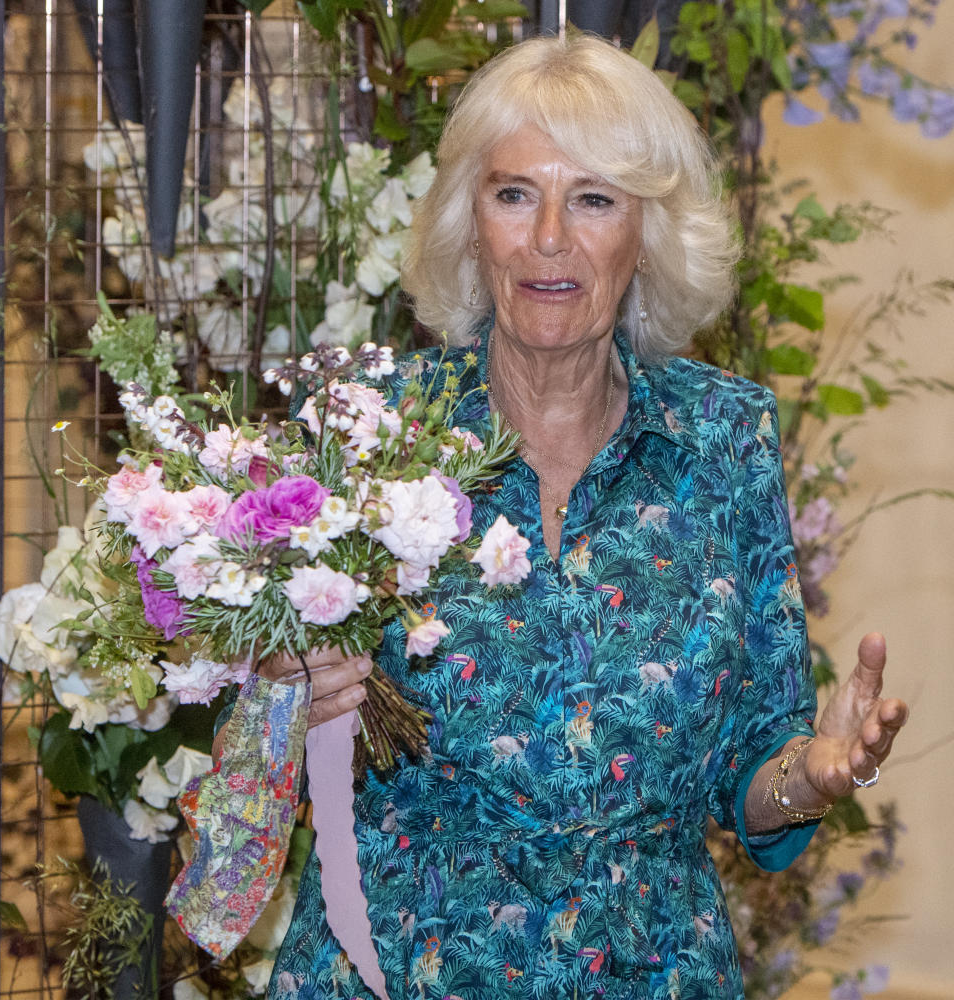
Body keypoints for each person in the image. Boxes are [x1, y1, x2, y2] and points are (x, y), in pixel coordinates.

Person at [248, 33, 909, 1000]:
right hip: (394, 968)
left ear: (647, 234)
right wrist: (279, 697)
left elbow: (752, 767)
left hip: (653, 969)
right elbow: (265, 738)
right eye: (515, 193)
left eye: (594, 198)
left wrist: (809, 773)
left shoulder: (723, 439)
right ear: (471, 222)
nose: (549, 236)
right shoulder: (370, 433)